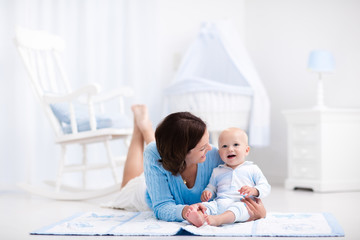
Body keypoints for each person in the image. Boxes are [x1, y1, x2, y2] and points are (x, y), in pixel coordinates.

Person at [108, 105, 267, 226]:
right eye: (203, 147)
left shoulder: (215, 156)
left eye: (208, 142)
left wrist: (258, 209)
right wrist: (185, 211)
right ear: (183, 153)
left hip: (167, 156)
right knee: (128, 184)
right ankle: (140, 128)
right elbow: (162, 206)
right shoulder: (154, 154)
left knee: (158, 147)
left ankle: (146, 128)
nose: (211, 149)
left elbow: (239, 186)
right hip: (145, 192)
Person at [185, 127, 271, 227]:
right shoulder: (217, 171)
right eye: (224, 146)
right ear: (219, 153)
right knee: (207, 206)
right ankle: (198, 216)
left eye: (236, 145)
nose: (230, 149)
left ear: (246, 150)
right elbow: (211, 186)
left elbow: (265, 186)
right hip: (221, 202)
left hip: (242, 203)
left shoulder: (252, 168)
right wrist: (207, 192)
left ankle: (219, 220)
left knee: (241, 209)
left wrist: (254, 190)